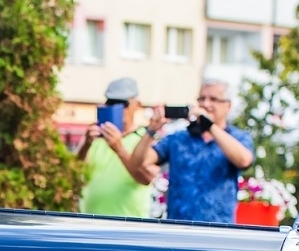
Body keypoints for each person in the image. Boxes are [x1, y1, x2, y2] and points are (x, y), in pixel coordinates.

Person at [125, 78, 254, 223]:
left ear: (228, 106)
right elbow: (138, 162)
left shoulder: (237, 138)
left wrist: (209, 125)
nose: (205, 104)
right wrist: (151, 130)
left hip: (219, 231)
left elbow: (244, 160)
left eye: (213, 99)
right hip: (179, 229)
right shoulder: (178, 138)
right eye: (202, 99)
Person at [75, 77, 153, 218]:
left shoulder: (144, 139)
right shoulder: (96, 139)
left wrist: (119, 148)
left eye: (122, 103)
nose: (117, 108)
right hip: (91, 223)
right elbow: (75, 173)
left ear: (137, 105)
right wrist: (86, 145)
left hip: (128, 226)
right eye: (111, 103)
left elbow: (146, 178)